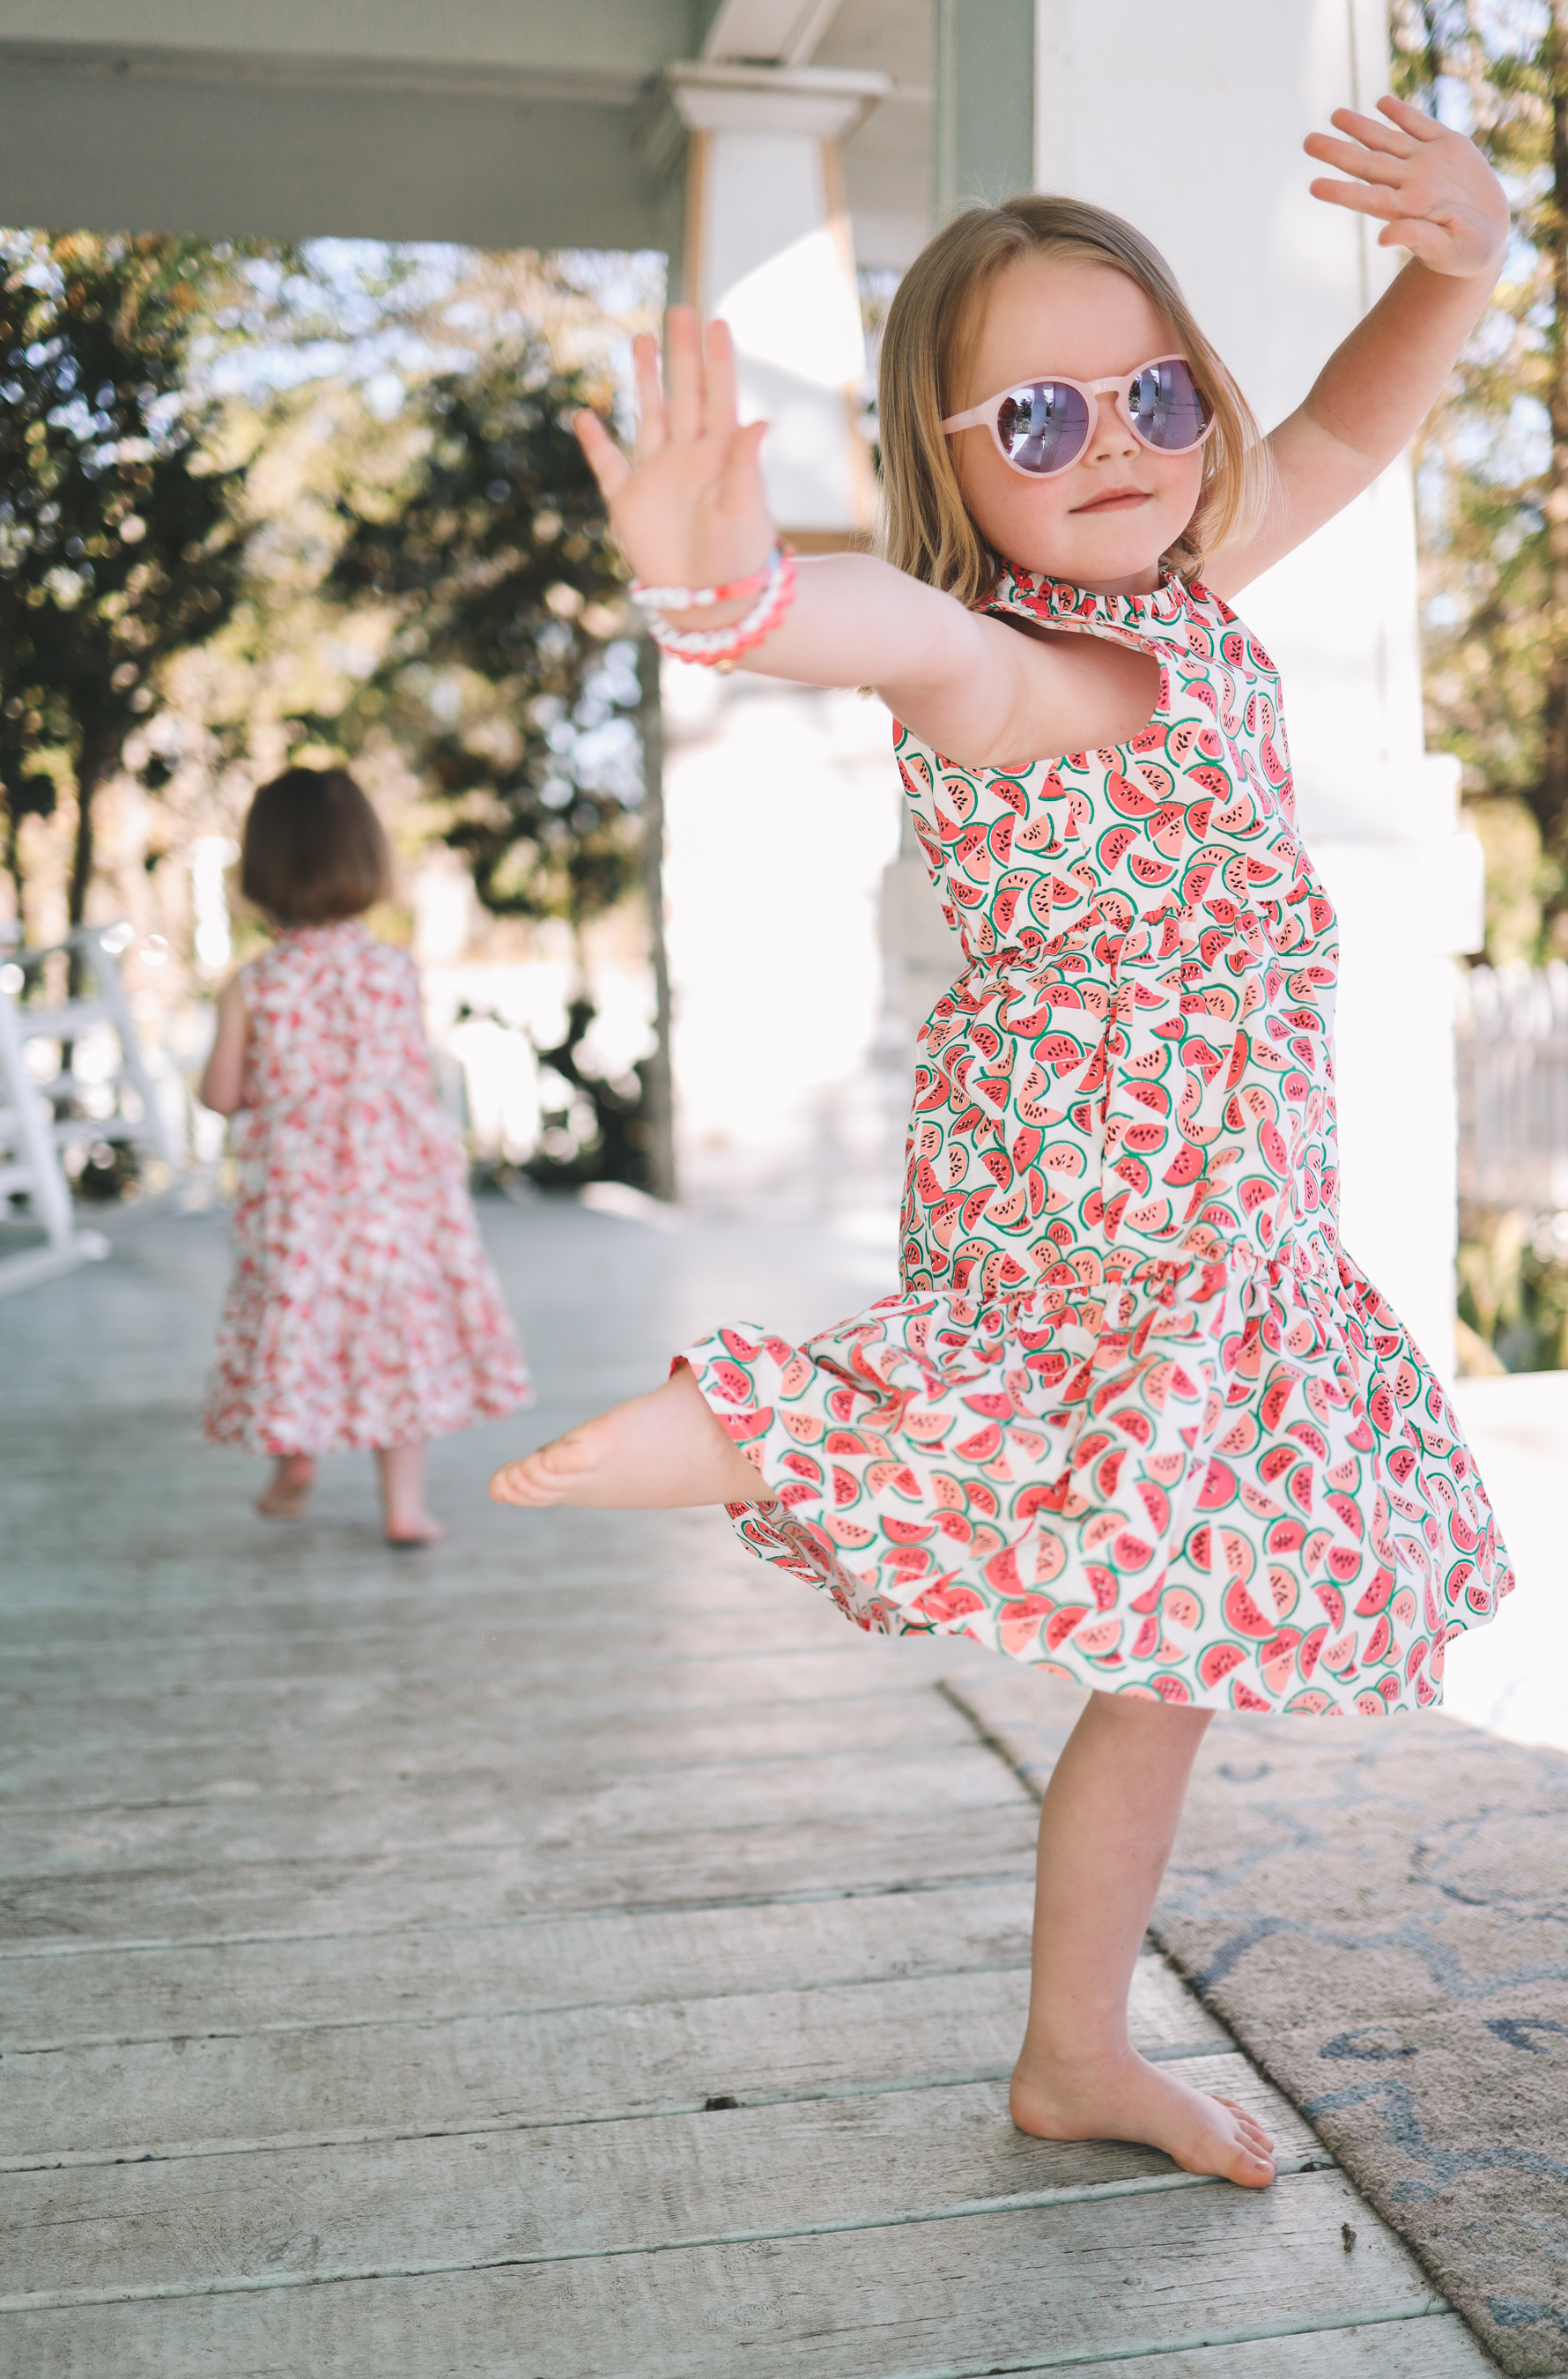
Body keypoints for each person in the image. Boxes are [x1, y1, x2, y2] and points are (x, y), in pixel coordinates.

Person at [491, 99, 1514, 2187]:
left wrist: (1462, 262)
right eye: (1036, 422)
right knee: (1041, 1408)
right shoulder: (1014, 666)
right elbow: (883, 628)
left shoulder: (1196, 585)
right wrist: (722, 589)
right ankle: (772, 1422)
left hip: (1230, 1221)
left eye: (1150, 392)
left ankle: (1075, 2050)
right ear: (947, 466)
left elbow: (1342, 434)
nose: (1115, 439)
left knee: (1162, 1649)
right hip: (1104, 1194)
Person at [200, 767, 531, 1544]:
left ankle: (294, 1461)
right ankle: (403, 1509)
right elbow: (404, 1078)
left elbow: (221, 1095)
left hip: (299, 1197)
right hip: (394, 1196)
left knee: (300, 1318)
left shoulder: (254, 983)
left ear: (264, 868)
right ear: (367, 859)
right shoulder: (394, 970)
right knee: (396, 1333)